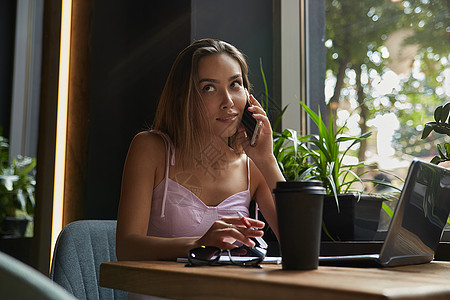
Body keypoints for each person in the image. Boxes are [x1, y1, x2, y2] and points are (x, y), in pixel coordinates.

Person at [116, 38, 284, 263]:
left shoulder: (252, 165)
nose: (228, 102)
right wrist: (199, 243)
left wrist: (267, 160)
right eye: (209, 88)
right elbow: (127, 247)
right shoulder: (151, 149)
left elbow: (300, 244)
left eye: (235, 84)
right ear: (183, 98)